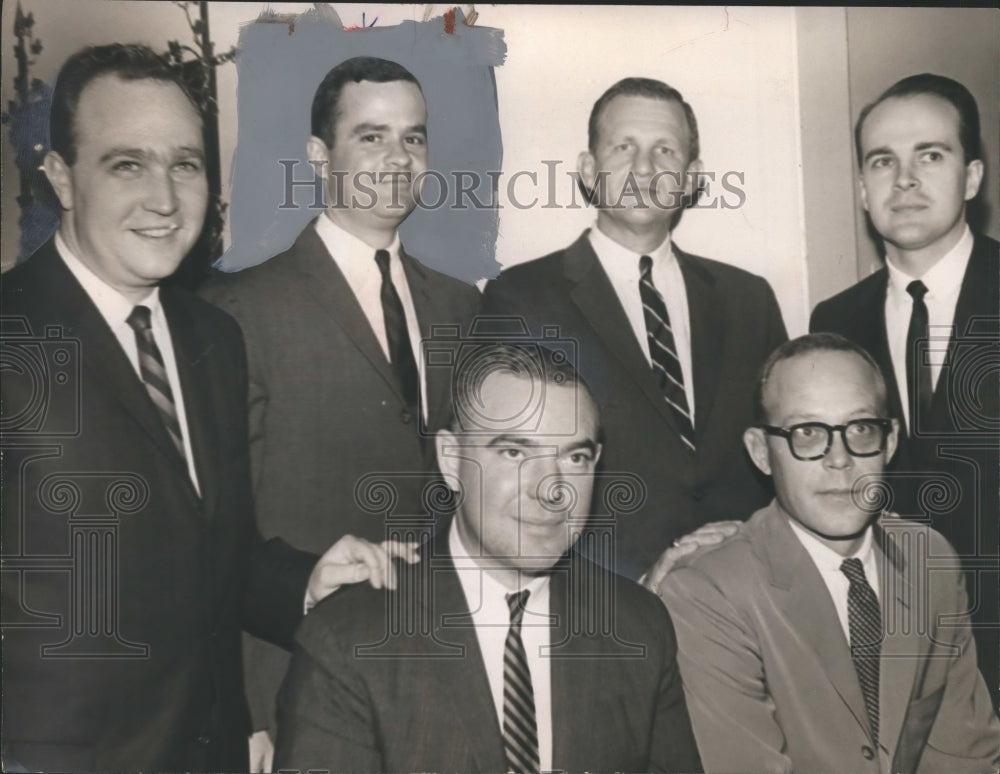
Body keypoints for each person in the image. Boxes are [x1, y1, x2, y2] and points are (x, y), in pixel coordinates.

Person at [0, 44, 415, 773]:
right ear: (62, 177)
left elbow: (211, 551)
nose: (164, 198)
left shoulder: (212, 336)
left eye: (185, 164)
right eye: (127, 164)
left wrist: (308, 578)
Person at [200, 56, 481, 764]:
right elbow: (218, 536)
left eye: (413, 139)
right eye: (372, 136)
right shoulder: (237, 310)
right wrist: (246, 709)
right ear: (320, 156)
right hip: (294, 683)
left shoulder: (462, 306)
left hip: (439, 673)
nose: (397, 158)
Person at [273, 343, 703, 773]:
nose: (551, 490)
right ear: (452, 459)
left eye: (574, 458)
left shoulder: (639, 627)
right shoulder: (349, 639)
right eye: (515, 453)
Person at [481, 77, 787, 580]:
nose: (644, 167)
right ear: (588, 169)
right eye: (624, 147)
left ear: (692, 177)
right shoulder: (522, 297)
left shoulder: (749, 298)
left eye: (665, 151)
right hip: (598, 608)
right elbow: (499, 481)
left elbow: (784, 451)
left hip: (747, 594)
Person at [656, 333, 999, 773]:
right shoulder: (708, 593)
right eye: (808, 433)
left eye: (860, 429)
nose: (839, 459)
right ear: (761, 451)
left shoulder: (930, 560)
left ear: (890, 441)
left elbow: (965, 755)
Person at [810, 73, 999, 706]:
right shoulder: (833, 322)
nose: (906, 179)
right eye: (883, 161)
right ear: (863, 189)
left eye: (932, 155)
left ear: (972, 178)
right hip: (892, 660)